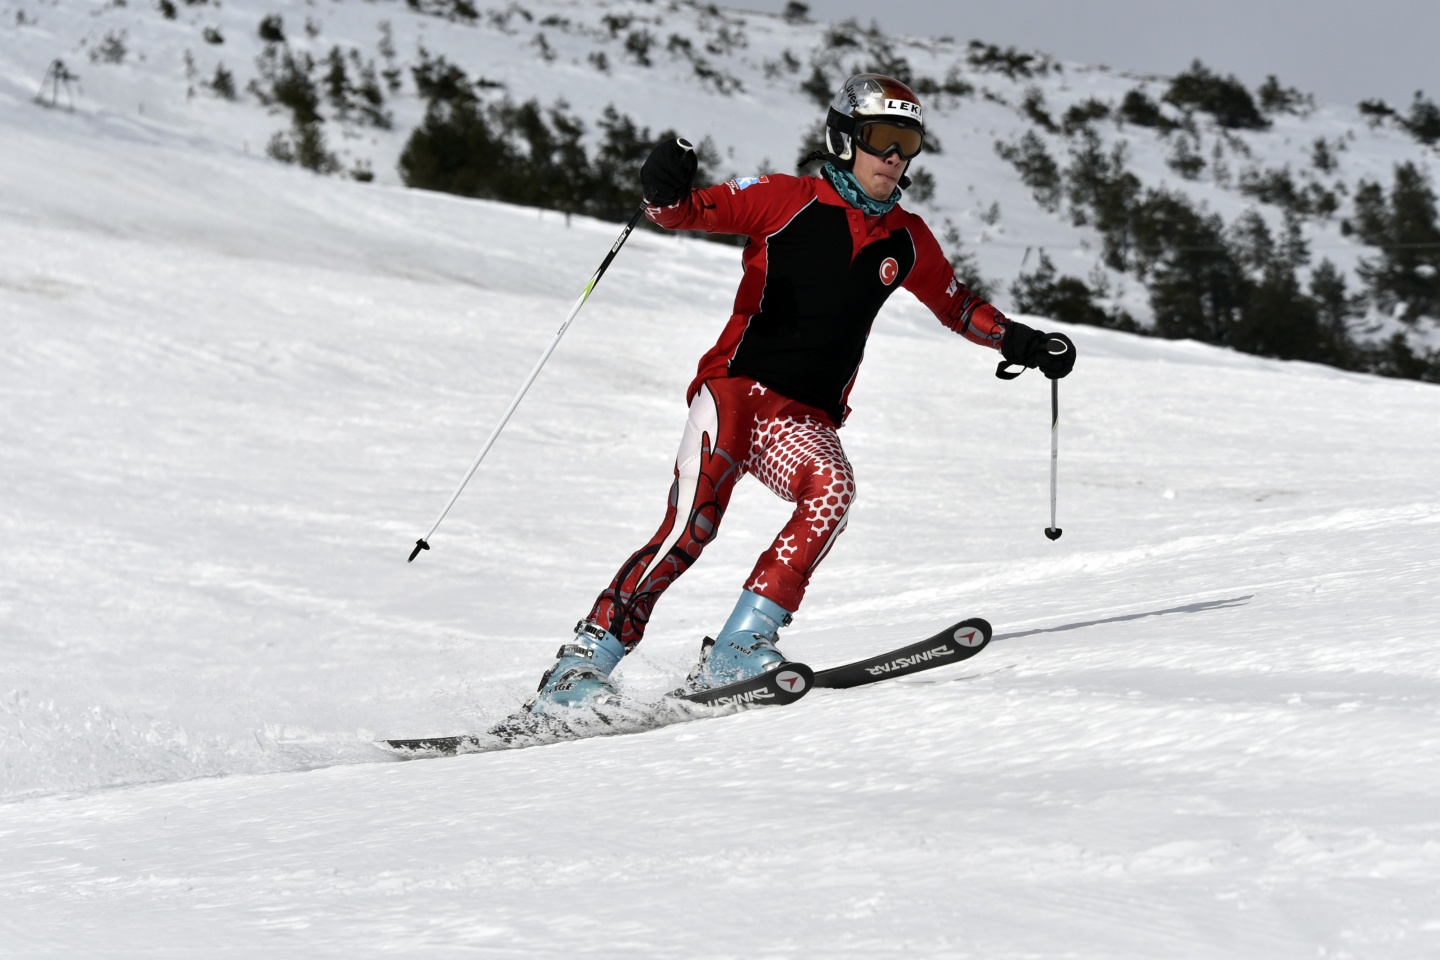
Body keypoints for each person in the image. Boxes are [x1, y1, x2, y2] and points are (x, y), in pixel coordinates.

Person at [524, 74, 1075, 714]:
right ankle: (581, 664)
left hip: (801, 417)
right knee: (691, 527)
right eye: (881, 137)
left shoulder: (906, 237)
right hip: (734, 393)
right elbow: (683, 212)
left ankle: (739, 647)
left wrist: (1022, 342)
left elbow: (957, 306)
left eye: (907, 142)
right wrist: (662, 191)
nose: (893, 156)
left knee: (832, 489)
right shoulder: (786, 199)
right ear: (843, 138)